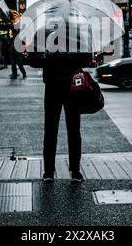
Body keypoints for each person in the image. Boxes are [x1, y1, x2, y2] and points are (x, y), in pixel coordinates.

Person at [41, 52, 92, 183]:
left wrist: (47, 57)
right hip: (73, 85)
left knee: (50, 130)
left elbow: (34, 61)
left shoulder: (47, 39)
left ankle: (48, 172)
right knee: (74, 130)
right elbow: (86, 60)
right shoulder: (76, 37)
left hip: (52, 85)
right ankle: (75, 171)